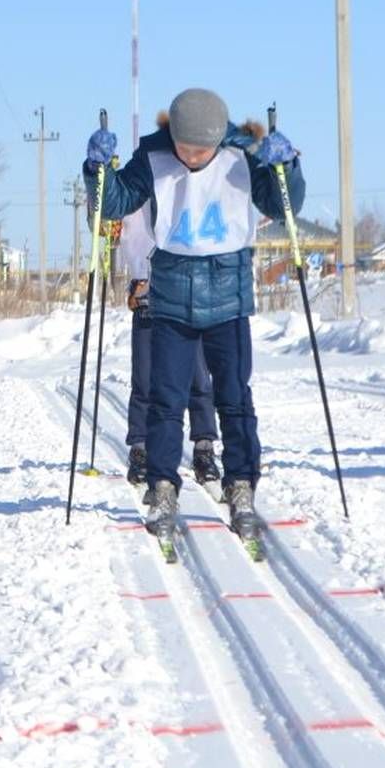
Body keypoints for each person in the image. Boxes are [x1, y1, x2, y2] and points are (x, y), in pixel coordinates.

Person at [84, 87, 303, 544]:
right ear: (174, 138)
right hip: (171, 296)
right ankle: (163, 486)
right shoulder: (154, 157)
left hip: (229, 295)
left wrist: (287, 167)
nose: (194, 157)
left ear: (220, 140)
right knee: (166, 400)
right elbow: (113, 203)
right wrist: (97, 170)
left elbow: (284, 206)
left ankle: (241, 484)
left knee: (235, 399)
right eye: (186, 149)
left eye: (203, 150)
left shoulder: (246, 157)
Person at [118, 111, 223, 504]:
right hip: (150, 288)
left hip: (188, 291)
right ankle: (141, 447)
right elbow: (129, 234)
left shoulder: (190, 184)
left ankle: (203, 447)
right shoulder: (139, 186)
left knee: (198, 377)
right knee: (146, 377)